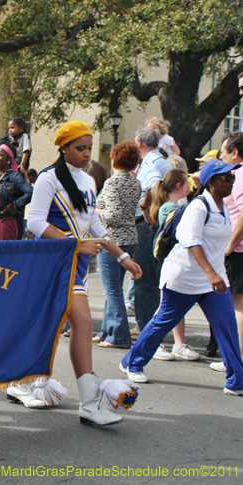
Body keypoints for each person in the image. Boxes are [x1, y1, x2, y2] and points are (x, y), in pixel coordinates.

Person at [28, 121, 143, 426]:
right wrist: (77, 245)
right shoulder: (48, 179)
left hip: (73, 265)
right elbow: (35, 223)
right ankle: (88, 403)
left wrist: (124, 258)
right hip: (51, 264)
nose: (87, 153)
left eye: (89, 147)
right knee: (78, 322)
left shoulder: (90, 181)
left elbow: (96, 225)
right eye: (80, 148)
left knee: (49, 325)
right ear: (63, 148)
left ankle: (34, 384)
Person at [120, 160, 243, 395]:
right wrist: (211, 273)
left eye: (232, 177)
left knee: (226, 326)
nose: (231, 181)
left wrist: (216, 274)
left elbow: (217, 246)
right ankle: (132, 362)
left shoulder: (224, 208)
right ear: (211, 183)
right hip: (183, 277)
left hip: (213, 280)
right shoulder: (198, 207)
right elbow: (191, 242)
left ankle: (237, 381)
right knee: (162, 323)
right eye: (226, 178)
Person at [144, 169, 201, 361]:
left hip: (175, 261)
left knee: (174, 305)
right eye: (188, 184)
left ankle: (178, 343)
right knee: (166, 306)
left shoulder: (171, 206)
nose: (189, 187)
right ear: (179, 185)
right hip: (169, 261)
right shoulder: (169, 208)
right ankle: (155, 343)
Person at [94, 142, 142, 348]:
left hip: (111, 240)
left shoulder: (113, 183)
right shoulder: (135, 182)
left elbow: (112, 216)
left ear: (114, 159)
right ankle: (107, 330)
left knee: (112, 289)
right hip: (130, 238)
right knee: (114, 287)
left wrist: (95, 211)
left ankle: (118, 334)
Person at [132, 126, 172, 334]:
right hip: (159, 222)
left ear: (139, 142)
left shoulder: (150, 163)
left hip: (149, 223)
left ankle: (146, 326)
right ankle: (149, 323)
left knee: (145, 277)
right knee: (152, 278)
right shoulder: (161, 159)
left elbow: (154, 184)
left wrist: (145, 204)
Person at [221, 132, 243, 372]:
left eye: (223, 151)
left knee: (239, 304)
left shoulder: (239, 175)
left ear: (235, 153)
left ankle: (239, 361)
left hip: (240, 249)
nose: (221, 156)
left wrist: (230, 245)